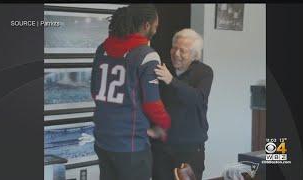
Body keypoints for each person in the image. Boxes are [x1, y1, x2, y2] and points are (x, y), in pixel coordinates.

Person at [90, 4, 171, 180]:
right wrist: (164, 124)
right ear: (146, 25)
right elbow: (152, 103)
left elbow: (94, 92)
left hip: (103, 139)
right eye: (156, 26)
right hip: (131, 145)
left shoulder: (102, 49)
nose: (156, 31)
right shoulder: (147, 55)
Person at [151, 28, 214, 180]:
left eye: (182, 51)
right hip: (161, 145)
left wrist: (171, 81)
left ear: (194, 54)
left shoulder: (204, 72)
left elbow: (198, 99)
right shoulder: (164, 68)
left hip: (189, 147)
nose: (176, 54)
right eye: (174, 48)